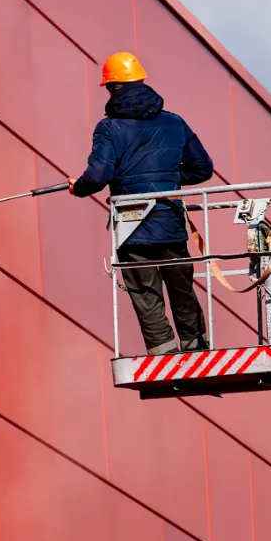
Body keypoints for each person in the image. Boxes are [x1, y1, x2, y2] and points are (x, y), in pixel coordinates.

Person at [68, 52, 214, 356]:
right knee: (181, 285)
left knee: (145, 291)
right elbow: (202, 169)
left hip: (131, 223)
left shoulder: (108, 128)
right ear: (142, 81)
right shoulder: (175, 123)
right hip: (170, 219)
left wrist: (78, 187)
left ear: (112, 88)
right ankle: (195, 345)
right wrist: (167, 179)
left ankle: (162, 350)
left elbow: (98, 176)